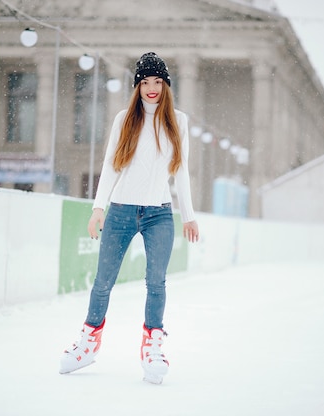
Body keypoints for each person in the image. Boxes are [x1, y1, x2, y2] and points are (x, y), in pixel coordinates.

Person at [59, 52, 199, 384]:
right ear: (137, 86)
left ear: (166, 85)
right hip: (121, 211)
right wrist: (98, 208)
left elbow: (181, 173)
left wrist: (189, 216)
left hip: (159, 215)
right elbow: (110, 165)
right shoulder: (125, 119)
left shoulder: (178, 121)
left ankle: (153, 345)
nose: (152, 88)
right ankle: (88, 342)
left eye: (157, 82)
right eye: (145, 82)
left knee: (156, 282)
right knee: (103, 282)